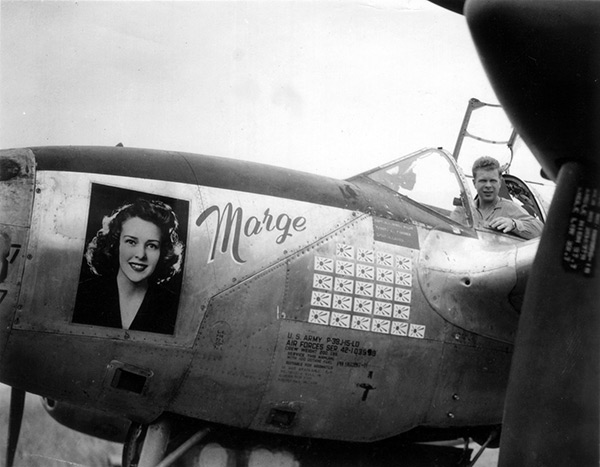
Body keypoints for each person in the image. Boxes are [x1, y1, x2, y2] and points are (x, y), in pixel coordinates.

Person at [73, 198, 184, 334]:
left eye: (151, 245)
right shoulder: (83, 294)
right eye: (131, 242)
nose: (141, 254)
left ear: (163, 252)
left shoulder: (175, 306)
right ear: (115, 244)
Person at [471, 156, 543, 240]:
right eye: (483, 181)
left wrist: (513, 224)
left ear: (500, 183)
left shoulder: (510, 207)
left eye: (493, 181)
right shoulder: (463, 211)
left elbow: (540, 230)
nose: (488, 186)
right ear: (474, 183)